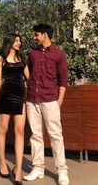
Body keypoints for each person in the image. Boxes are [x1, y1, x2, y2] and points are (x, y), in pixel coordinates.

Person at [23, 24, 69, 185]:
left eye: (37, 35)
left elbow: (63, 80)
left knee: (56, 135)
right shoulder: (32, 53)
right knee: (36, 135)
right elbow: (27, 72)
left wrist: (60, 101)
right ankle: (38, 168)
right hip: (32, 99)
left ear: (45, 35)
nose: (35, 37)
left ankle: (62, 170)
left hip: (50, 100)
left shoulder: (59, 55)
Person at [0, 33, 29, 185]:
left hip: (20, 97)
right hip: (5, 96)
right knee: (3, 129)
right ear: (10, 42)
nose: (19, 42)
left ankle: (18, 169)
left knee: (20, 130)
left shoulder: (22, 59)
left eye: (20, 40)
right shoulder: (0, 59)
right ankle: (2, 162)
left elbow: (29, 77)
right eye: (17, 40)